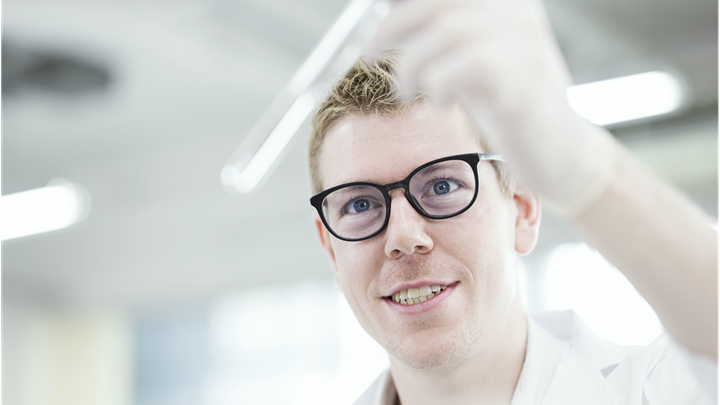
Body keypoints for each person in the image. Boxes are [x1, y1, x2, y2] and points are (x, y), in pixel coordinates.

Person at [306, 0, 719, 403]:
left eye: (442, 187)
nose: (403, 236)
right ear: (330, 249)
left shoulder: (656, 391)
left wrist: (587, 168)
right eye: (360, 206)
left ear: (522, 208)